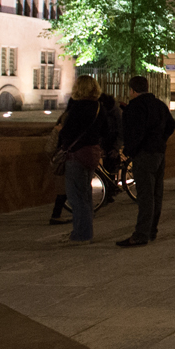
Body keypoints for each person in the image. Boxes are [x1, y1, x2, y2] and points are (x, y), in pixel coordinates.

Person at [118, 75, 175, 248]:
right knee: (156, 194)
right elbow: (171, 125)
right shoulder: (159, 105)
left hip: (144, 155)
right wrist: (160, 140)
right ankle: (152, 230)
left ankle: (141, 234)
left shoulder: (135, 107)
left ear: (132, 90)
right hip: (159, 153)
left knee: (145, 196)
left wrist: (129, 151)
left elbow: (135, 133)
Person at [56, 75, 107, 244]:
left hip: (76, 154)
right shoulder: (99, 106)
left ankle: (81, 234)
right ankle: (83, 231)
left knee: (76, 196)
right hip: (92, 154)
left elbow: (67, 132)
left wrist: (60, 131)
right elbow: (106, 130)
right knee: (85, 195)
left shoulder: (77, 108)